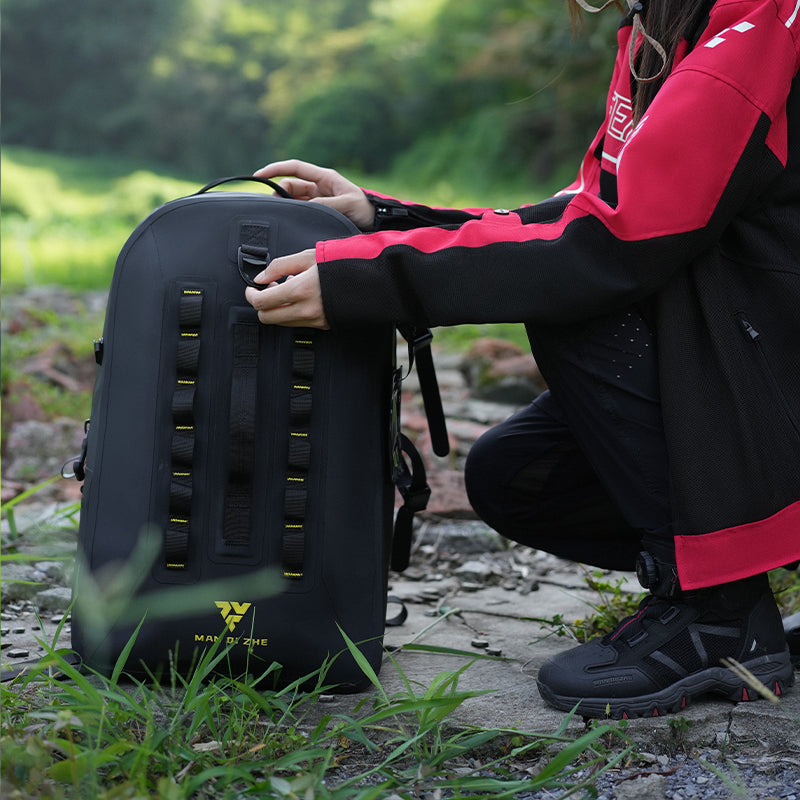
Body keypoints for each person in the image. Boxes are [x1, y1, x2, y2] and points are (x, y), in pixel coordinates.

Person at [245, 0, 800, 719]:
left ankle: (719, 615)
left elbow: (608, 244)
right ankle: (729, 575)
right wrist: (389, 222)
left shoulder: (761, 22)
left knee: (578, 301)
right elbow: (586, 207)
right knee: (518, 478)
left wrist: (369, 281)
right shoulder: (661, 29)